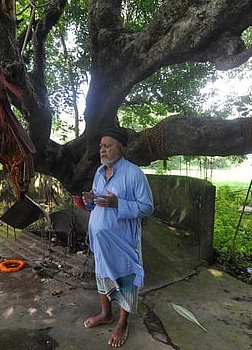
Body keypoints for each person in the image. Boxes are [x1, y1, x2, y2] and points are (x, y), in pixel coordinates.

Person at [81, 128, 154, 348]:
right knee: (102, 276)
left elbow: (147, 207)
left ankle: (122, 323)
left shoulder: (134, 173)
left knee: (125, 280)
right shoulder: (99, 172)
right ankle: (106, 314)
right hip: (101, 242)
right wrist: (90, 199)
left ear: (120, 148)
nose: (102, 149)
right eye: (101, 146)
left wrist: (118, 204)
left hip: (123, 242)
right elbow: (96, 201)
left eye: (107, 145)